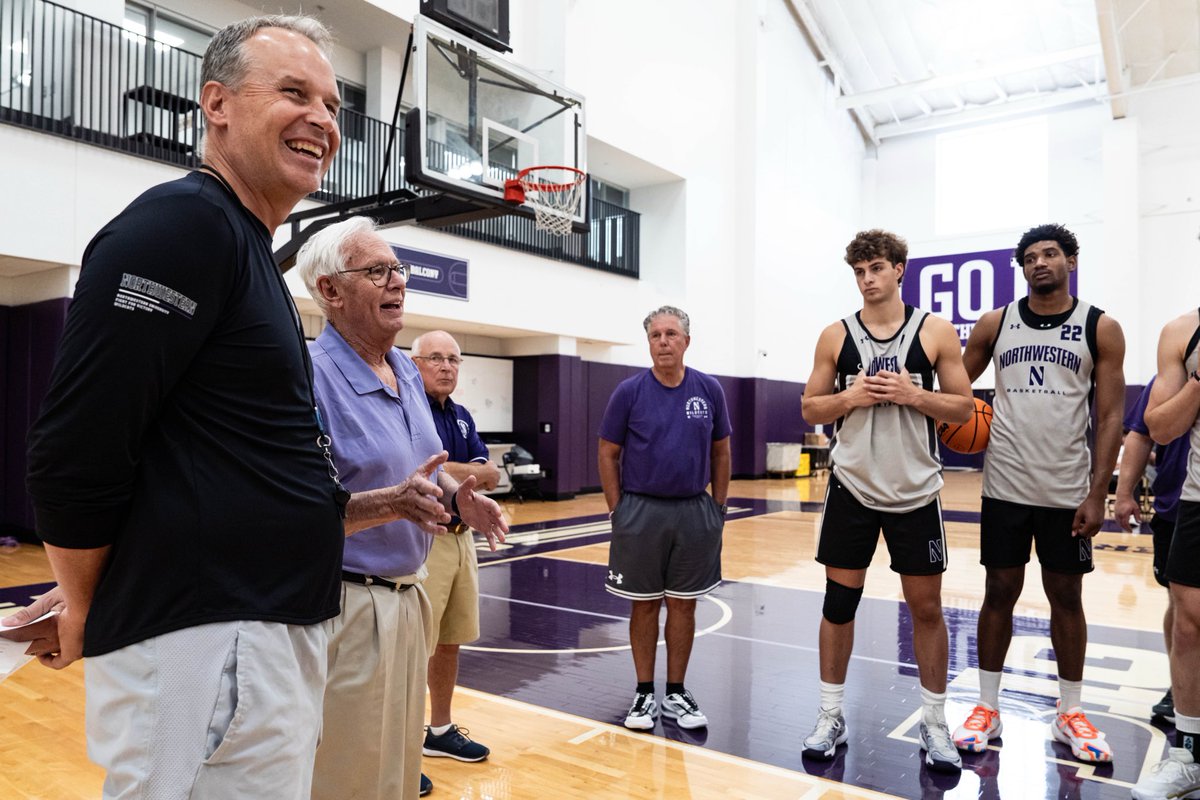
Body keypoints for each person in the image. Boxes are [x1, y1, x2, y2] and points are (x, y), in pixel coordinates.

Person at [23, 16, 351, 798]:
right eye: (294, 92)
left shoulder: (247, 251)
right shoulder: (182, 227)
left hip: (250, 637)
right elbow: (78, 447)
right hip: (211, 646)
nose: (323, 121)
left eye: (333, 105)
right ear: (218, 104)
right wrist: (83, 597)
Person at [297, 218, 508, 800]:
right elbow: (296, 506)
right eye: (376, 271)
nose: (397, 283)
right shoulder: (309, 377)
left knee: (396, 773)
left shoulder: (407, 375)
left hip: (408, 596)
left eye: (398, 270)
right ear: (330, 291)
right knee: (343, 775)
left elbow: (423, 467)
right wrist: (391, 503)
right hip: (346, 605)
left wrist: (456, 495)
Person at [800, 229, 974, 773]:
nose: (867, 278)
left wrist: (913, 394)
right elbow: (810, 408)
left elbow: (965, 408)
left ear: (900, 269)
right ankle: (830, 714)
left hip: (915, 491)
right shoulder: (835, 335)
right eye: (859, 271)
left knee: (926, 609)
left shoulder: (935, 331)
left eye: (876, 267)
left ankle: (935, 721)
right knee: (838, 605)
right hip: (851, 489)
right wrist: (848, 398)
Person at [953, 223, 1125, 764]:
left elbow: (1111, 415)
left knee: (1066, 598)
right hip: (1004, 483)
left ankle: (1069, 712)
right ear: (1021, 268)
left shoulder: (1100, 326)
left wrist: (1099, 492)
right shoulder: (995, 323)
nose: (1040, 263)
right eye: (1029, 257)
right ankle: (987, 706)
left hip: (1067, 488)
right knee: (998, 591)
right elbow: (955, 389)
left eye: (1050, 254)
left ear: (1071, 261)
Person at [598, 305, 731, 731]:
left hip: (694, 510)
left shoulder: (708, 389)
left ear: (686, 341)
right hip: (640, 511)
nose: (663, 342)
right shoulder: (629, 392)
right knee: (644, 606)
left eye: (671, 334)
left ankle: (676, 691)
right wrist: (617, 509)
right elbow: (608, 452)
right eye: (656, 335)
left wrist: (719, 505)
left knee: (683, 606)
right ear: (648, 342)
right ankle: (643, 694)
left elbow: (722, 450)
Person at [412, 330, 502, 766]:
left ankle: (440, 730)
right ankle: (405, 746)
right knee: (417, 646)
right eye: (436, 358)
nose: (446, 366)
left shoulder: (462, 415)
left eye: (453, 359)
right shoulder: (408, 409)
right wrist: (467, 473)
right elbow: (426, 473)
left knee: (450, 641)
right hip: (430, 539)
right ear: (415, 364)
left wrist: (456, 470)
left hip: (466, 541)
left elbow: (491, 477)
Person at [1132, 308, 1200, 800]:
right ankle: (1189, 743)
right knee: (1186, 617)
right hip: (1190, 496)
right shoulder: (1182, 333)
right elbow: (1151, 426)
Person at [1113, 376, 1190, 724]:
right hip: (1176, 506)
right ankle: (1182, 686)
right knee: (1180, 602)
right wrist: (1125, 492)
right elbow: (1140, 434)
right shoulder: (1166, 379)